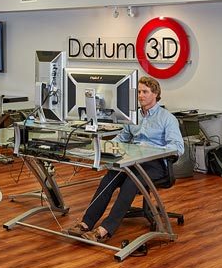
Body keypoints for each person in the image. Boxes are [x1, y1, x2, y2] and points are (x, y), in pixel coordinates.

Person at [66, 76, 184, 243]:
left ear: (156, 94)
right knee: (108, 178)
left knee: (130, 182)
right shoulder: (133, 116)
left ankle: (104, 229)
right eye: (139, 92)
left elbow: (178, 148)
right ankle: (86, 223)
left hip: (155, 164)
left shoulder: (167, 118)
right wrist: (104, 147)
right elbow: (122, 137)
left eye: (145, 92)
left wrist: (150, 151)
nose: (140, 95)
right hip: (133, 160)